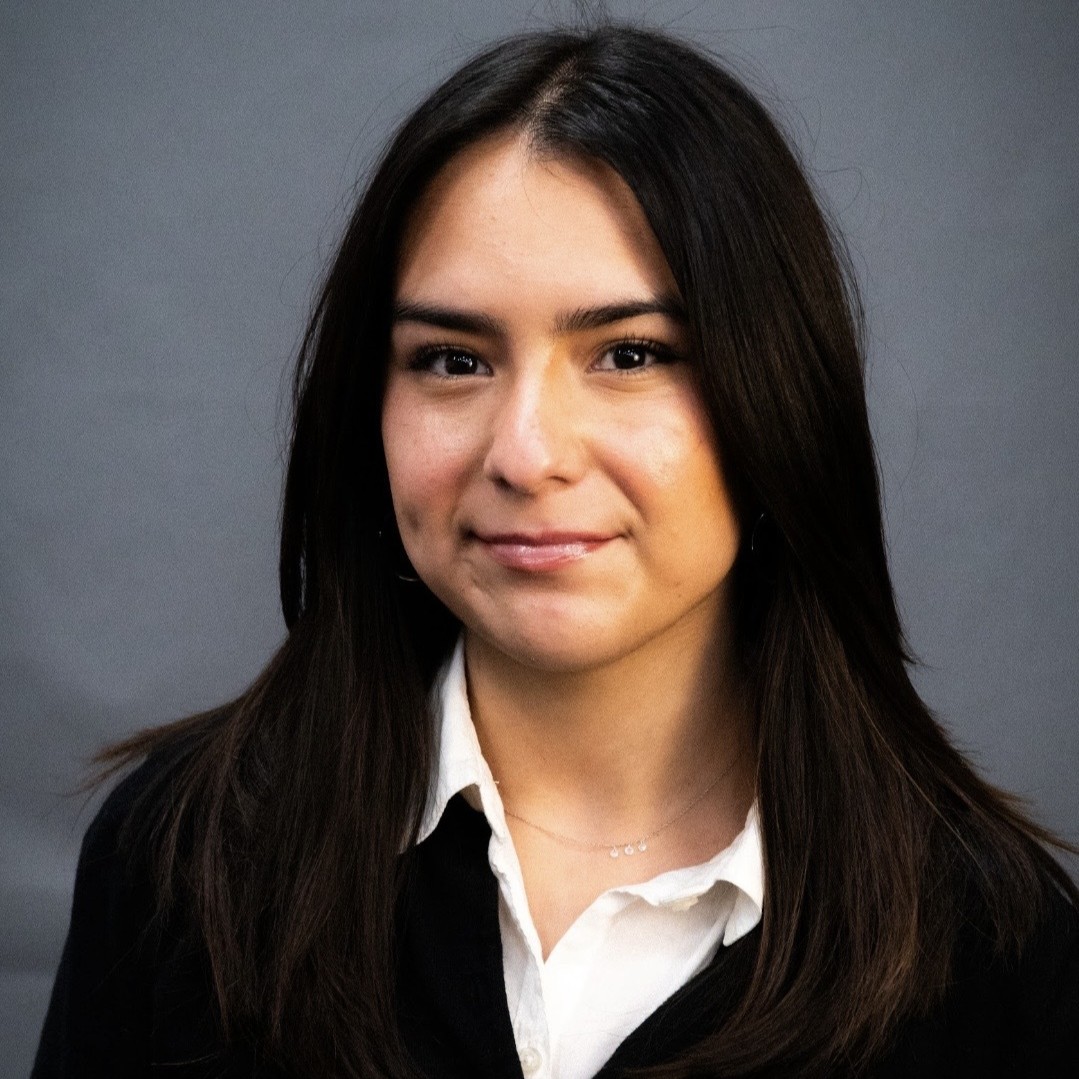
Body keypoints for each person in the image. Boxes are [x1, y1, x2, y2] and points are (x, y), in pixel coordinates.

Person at [33, 23, 1078, 1079]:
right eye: (450, 359)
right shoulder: (184, 854)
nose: (526, 454)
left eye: (630, 354)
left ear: (778, 398)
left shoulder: (992, 943)